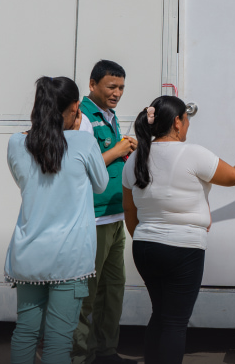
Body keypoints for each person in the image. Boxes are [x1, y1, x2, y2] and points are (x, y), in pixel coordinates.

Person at [122, 95, 235, 364]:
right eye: (186, 120)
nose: (187, 126)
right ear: (177, 122)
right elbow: (234, 175)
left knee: (160, 314)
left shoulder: (135, 158)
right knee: (175, 322)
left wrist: (144, 238)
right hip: (183, 248)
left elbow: (130, 210)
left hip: (144, 247)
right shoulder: (192, 153)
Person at [5, 76, 109, 364]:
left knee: (25, 333)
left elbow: (24, 183)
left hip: (27, 255)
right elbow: (100, 185)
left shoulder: (16, 143)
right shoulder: (84, 142)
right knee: (58, 341)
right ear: (76, 107)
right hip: (70, 258)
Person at [73, 60, 138, 364]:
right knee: (87, 292)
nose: (117, 93)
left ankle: (106, 351)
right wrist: (119, 150)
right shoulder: (82, 116)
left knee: (112, 289)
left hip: (115, 216)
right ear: (92, 84)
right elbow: (81, 165)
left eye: (121, 87)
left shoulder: (108, 116)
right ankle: (81, 355)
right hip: (94, 217)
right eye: (111, 87)